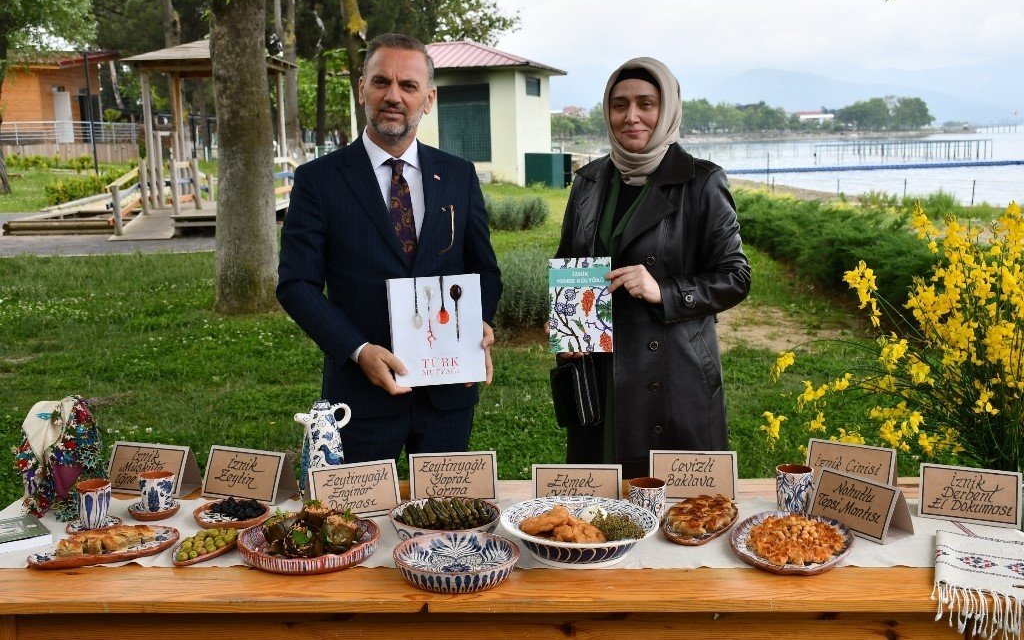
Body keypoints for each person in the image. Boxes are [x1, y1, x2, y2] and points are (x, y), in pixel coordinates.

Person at [277, 33, 502, 464]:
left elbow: (484, 269)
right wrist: (358, 351)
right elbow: (297, 284)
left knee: (440, 523)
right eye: (381, 82)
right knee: (360, 523)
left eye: (409, 86)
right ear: (362, 88)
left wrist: (479, 320)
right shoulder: (319, 180)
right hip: (360, 398)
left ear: (428, 99)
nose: (393, 96)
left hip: (447, 396)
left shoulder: (458, 175)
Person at [553, 57, 750, 479]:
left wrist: (664, 289)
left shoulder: (702, 181)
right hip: (598, 372)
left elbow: (735, 276)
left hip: (671, 377)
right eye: (619, 105)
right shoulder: (588, 181)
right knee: (598, 505)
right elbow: (568, 261)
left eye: (647, 103)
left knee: (675, 514)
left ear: (668, 110)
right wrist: (568, 330)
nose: (632, 117)